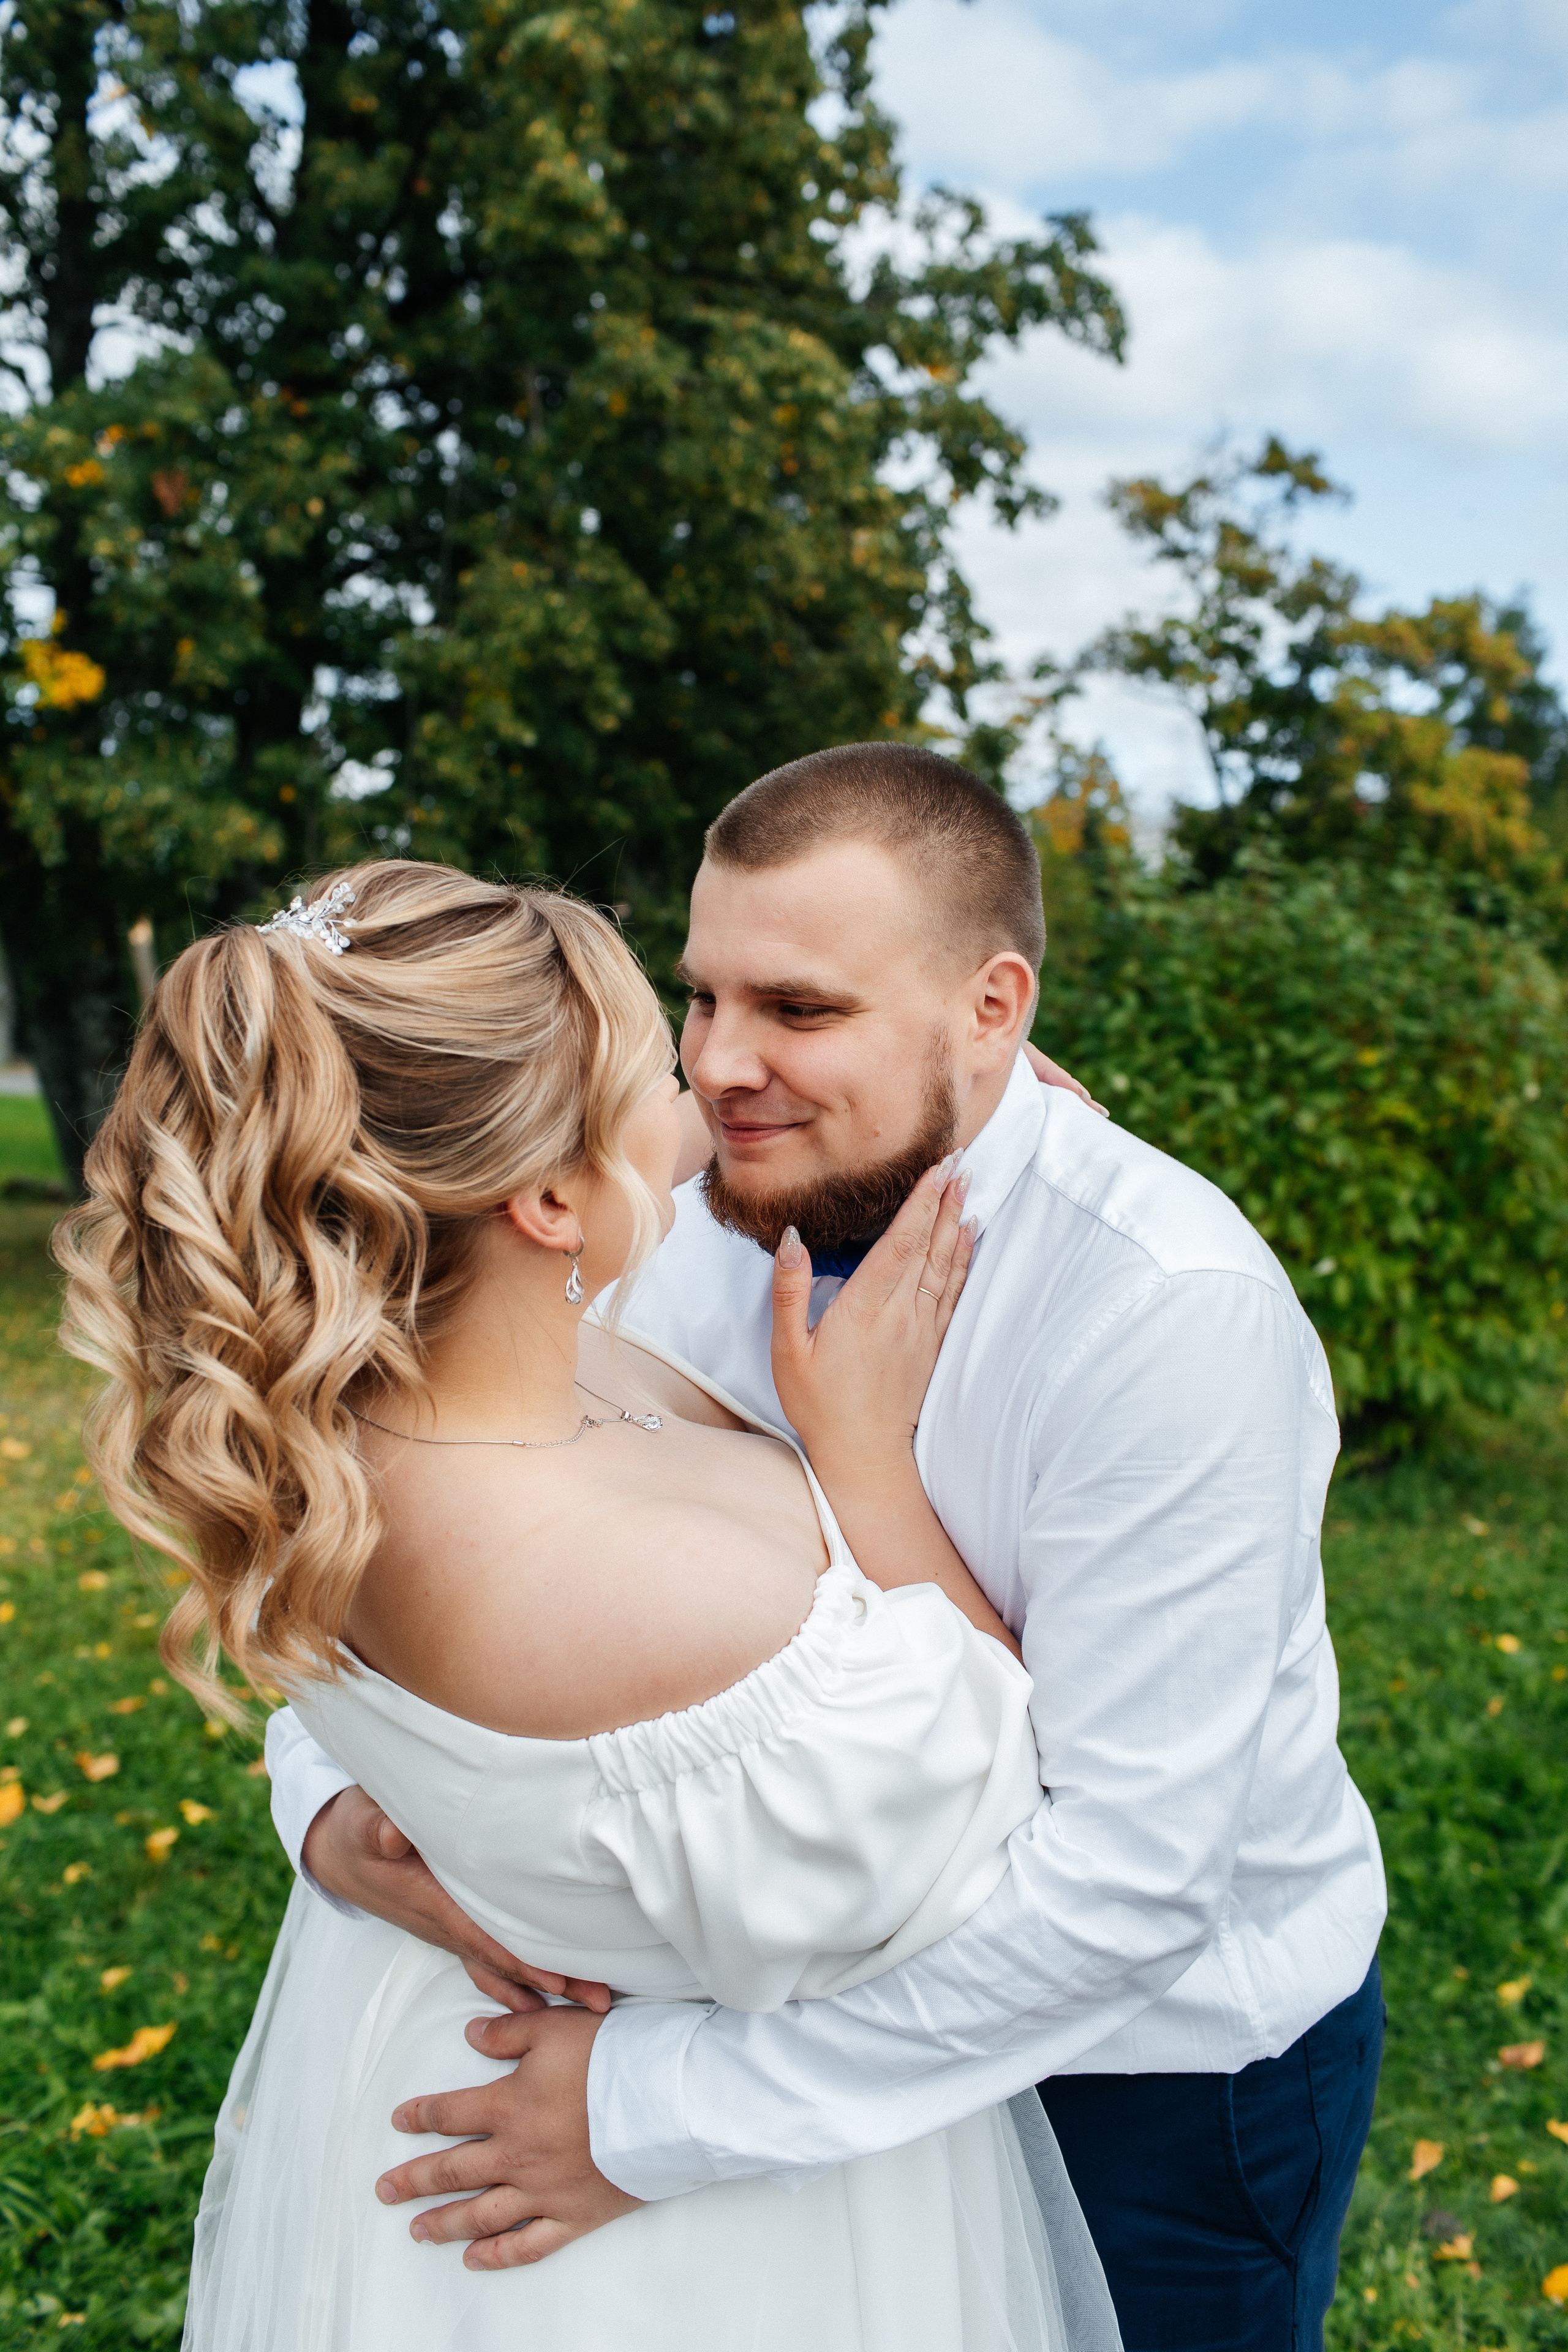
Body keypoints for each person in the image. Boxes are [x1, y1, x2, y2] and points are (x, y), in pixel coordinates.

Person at [277, 744, 1388, 2352]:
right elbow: (420, 1533)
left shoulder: (1165, 1315)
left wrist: (644, 2113)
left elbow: (1127, 1882)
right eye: (701, 998)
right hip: (754, 2062)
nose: (721, 1067)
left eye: (799, 1009)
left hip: (1140, 2086)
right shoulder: (630, 1219)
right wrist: (326, 1807)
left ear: (992, 1009)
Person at [56, 856, 1123, 2352]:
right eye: (655, 1068)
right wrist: (862, 1460)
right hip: (698, 2238)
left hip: (438, 2068)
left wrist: (940, 1077)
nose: (706, 1085)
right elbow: (1021, 1821)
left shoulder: (344, 1428)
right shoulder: (636, 1598)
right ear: (550, 1198)